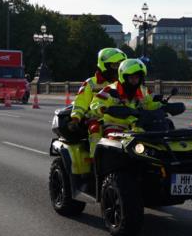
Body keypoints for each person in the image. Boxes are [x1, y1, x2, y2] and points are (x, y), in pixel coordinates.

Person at [65, 47, 127, 177]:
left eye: (121, 65)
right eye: (115, 65)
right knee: (95, 130)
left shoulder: (123, 83)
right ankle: (96, 166)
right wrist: (75, 118)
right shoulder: (91, 83)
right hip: (96, 118)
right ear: (104, 65)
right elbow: (80, 102)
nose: (118, 68)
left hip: (121, 119)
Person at [90, 58, 161, 134]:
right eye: (131, 77)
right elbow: (95, 103)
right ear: (123, 77)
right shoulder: (110, 89)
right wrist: (103, 109)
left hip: (136, 126)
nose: (134, 80)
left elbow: (151, 103)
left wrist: (163, 105)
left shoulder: (143, 90)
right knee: (102, 135)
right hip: (114, 125)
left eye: (137, 77)